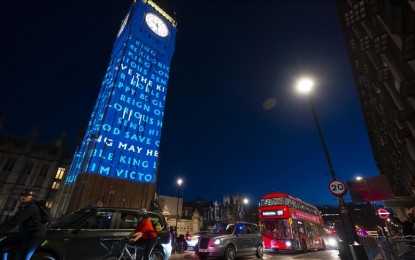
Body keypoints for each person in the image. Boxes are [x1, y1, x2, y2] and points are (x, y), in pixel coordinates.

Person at [0, 188, 47, 260]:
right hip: (24, 234)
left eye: (26, 196)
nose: (23, 197)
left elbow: (15, 222)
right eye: (22, 195)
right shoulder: (23, 207)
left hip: (34, 236)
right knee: (3, 245)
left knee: (23, 257)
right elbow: (11, 220)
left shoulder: (32, 207)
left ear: (32, 197)